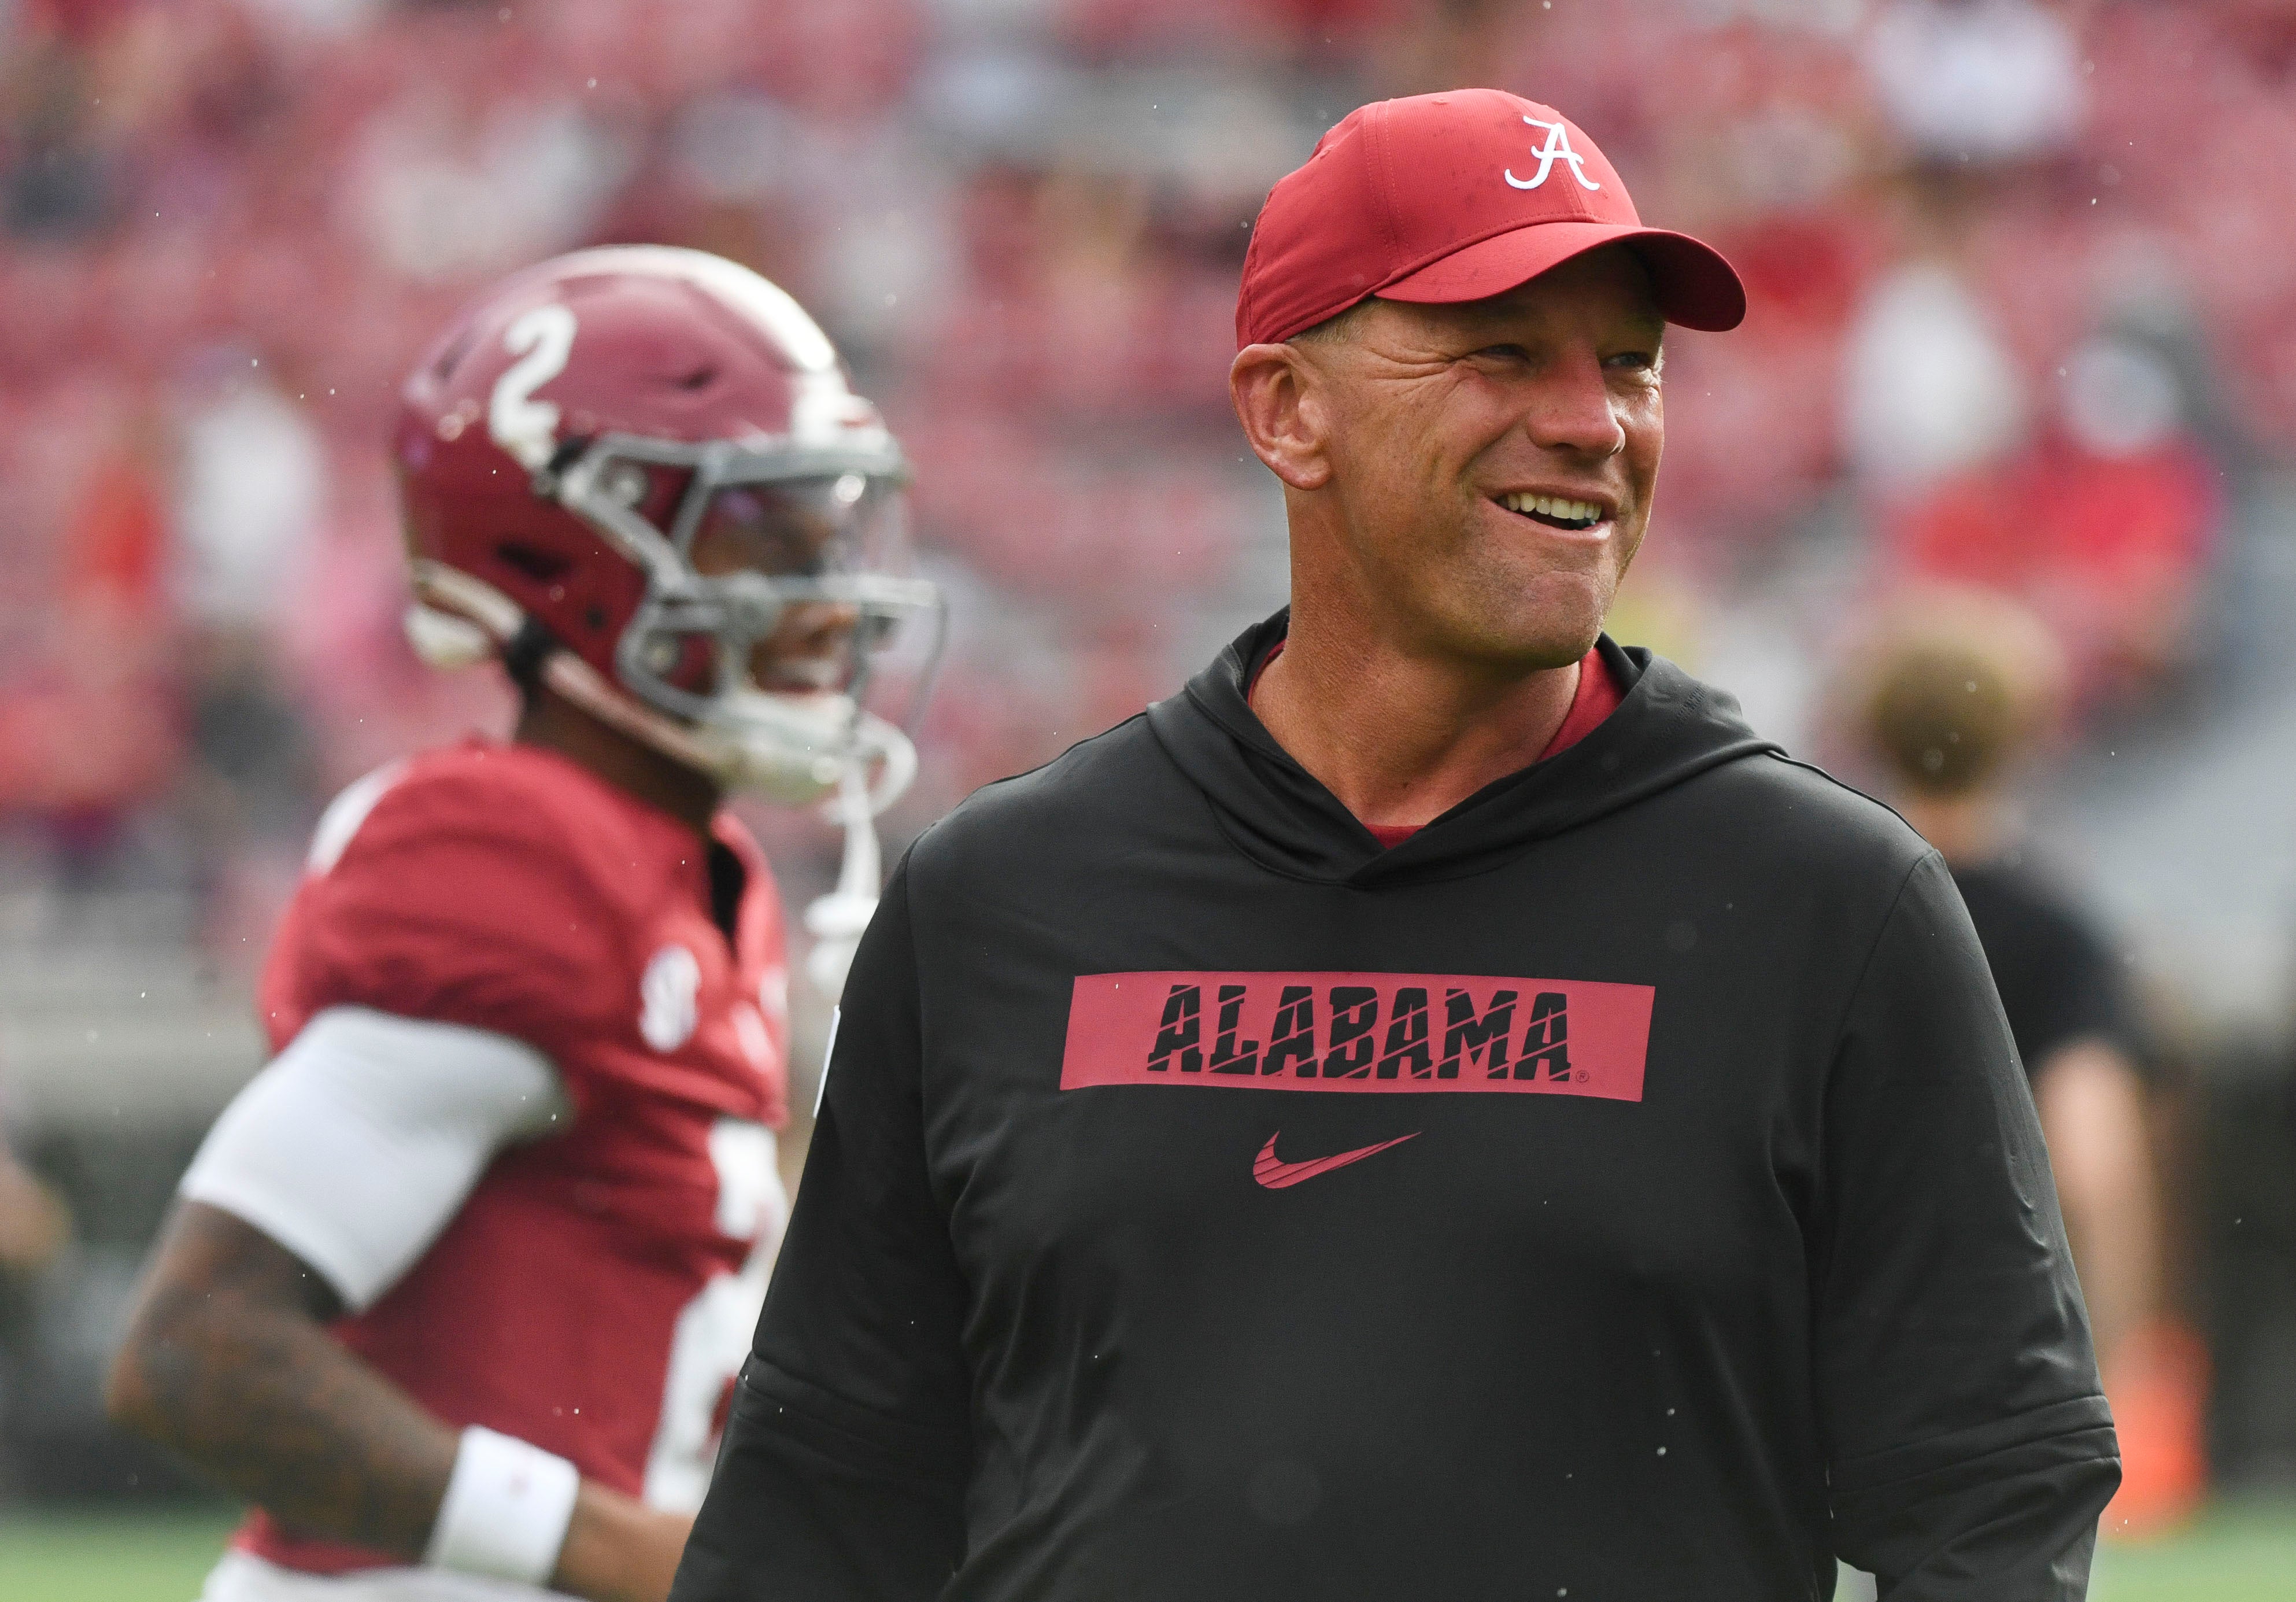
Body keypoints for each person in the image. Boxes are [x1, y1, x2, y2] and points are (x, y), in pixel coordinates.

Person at [673, 90, 2118, 1602]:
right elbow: (823, 1505)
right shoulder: (1001, 900)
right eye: (1502, 352)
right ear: (1286, 410)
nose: (1591, 419)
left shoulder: (1829, 911)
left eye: (1628, 364)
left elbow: (1988, 1507)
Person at [107, 246, 940, 1602]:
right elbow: (197, 1348)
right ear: (574, 553)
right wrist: (637, 1553)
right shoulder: (512, 857)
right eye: (759, 534)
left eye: (829, 530)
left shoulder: (697, 866)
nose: (827, 591)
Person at [1858, 599, 2203, 1537]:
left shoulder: (1822, 903)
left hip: (1837, 1322)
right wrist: (2118, 1356)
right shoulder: (2057, 930)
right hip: (1988, 1342)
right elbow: (2096, 1163)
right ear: (2024, 734)